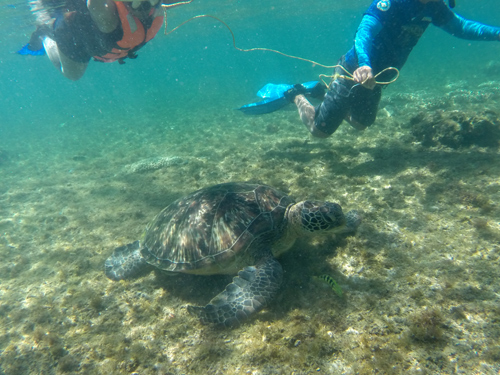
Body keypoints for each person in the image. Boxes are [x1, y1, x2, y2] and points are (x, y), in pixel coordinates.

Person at [284, 0, 500, 138]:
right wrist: (365, 64)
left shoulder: (435, 7)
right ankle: (298, 94)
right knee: (320, 131)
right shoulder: (391, 3)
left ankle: (322, 93)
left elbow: (461, 27)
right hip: (354, 70)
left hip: (376, 79)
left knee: (360, 124)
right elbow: (364, 32)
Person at [19, 0, 167, 80]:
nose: (146, 8)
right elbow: (95, 5)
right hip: (74, 36)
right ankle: (45, 32)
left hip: (99, 44)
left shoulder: (155, 10)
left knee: (74, 75)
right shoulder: (107, 14)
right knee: (73, 74)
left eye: (152, 3)